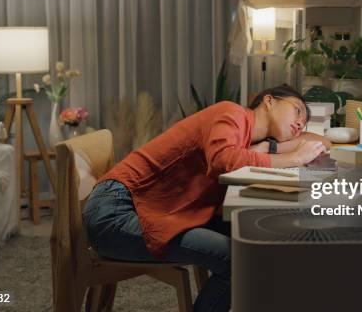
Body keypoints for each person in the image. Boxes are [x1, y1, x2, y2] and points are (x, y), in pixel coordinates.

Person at [82, 85, 329, 312]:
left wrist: (270, 149)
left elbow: (320, 141)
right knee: (238, 261)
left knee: (257, 235)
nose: (299, 122)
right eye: (297, 111)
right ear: (269, 101)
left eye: (304, 121)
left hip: (147, 209)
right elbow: (223, 161)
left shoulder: (242, 138)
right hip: (115, 213)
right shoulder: (231, 113)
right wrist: (292, 159)